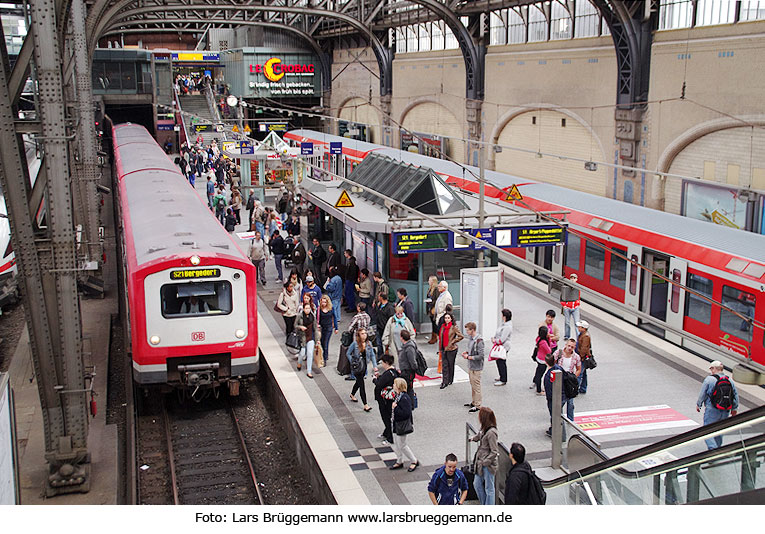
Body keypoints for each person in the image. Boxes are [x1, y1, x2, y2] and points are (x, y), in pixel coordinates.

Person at [697, 360, 739, 450]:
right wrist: (734, 408)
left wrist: (699, 404)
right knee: (720, 429)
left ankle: (713, 449)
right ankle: (718, 447)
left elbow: (702, 393)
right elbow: (735, 395)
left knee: (707, 429)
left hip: (712, 408)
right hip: (725, 409)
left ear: (713, 368)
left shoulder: (709, 379)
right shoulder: (729, 380)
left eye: (711, 369)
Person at [470, 407, 498, 505]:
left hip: (487, 464)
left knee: (489, 487)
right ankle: (484, 504)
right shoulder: (484, 428)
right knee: (477, 484)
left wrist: (486, 462)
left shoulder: (491, 433)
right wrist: (474, 438)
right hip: (481, 462)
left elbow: (494, 451)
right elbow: (479, 435)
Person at [389, 378, 419, 472]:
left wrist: (395, 407)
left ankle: (413, 460)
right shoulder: (399, 396)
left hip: (401, 425)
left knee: (402, 444)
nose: (393, 385)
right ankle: (399, 460)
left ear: (398, 386)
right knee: (397, 444)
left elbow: (406, 413)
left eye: (394, 384)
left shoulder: (404, 398)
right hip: (396, 423)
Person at [347, 327, 376, 412]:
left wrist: (375, 365)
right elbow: (348, 353)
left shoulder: (369, 343)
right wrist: (352, 361)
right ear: (359, 335)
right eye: (362, 333)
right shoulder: (355, 344)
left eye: (365, 333)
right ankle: (365, 404)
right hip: (357, 366)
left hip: (364, 366)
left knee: (359, 382)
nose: (364, 335)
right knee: (362, 384)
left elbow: (372, 355)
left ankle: (352, 394)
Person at [554, 337, 581, 423]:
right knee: (560, 401)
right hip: (559, 380)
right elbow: (553, 364)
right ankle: (558, 418)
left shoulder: (576, 357)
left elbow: (579, 369)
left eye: (572, 347)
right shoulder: (558, 353)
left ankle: (570, 420)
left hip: (569, 382)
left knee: (570, 403)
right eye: (569, 346)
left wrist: (573, 378)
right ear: (566, 345)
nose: (570, 348)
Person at [373, 353, 398, 445]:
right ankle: (386, 432)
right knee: (387, 416)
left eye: (383, 362)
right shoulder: (394, 372)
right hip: (389, 398)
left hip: (384, 398)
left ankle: (390, 437)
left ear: (386, 363)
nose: (382, 364)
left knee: (386, 417)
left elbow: (379, 384)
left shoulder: (388, 374)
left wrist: (375, 379)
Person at [543, 352, 568, 438]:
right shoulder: (559, 368)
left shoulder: (547, 376)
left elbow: (549, 393)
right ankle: (553, 429)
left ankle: (561, 435)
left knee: (556, 415)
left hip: (555, 399)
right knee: (557, 415)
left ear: (546, 362)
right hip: (563, 395)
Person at [462, 322, 484, 412]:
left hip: (477, 367)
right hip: (471, 365)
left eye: (468, 330)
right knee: (473, 384)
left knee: (477, 386)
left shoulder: (479, 341)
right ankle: (474, 402)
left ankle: (478, 405)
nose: (467, 332)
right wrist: (467, 352)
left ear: (472, 330)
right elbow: (471, 350)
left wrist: (469, 357)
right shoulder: (471, 339)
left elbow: (481, 356)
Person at [439, 313, 463, 389]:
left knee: (450, 365)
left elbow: (461, 336)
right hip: (443, 348)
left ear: (451, 319)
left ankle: (450, 379)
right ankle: (444, 381)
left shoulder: (454, 327)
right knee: (444, 365)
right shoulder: (443, 326)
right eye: (445, 318)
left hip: (451, 349)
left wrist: (453, 341)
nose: (447, 319)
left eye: (448, 318)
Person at [295, 303, 318, 379]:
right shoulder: (299, 316)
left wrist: (317, 339)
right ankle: (299, 362)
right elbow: (295, 325)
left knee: (310, 354)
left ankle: (309, 371)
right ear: (303, 309)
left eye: (309, 308)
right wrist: (300, 327)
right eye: (306, 308)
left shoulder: (313, 317)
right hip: (303, 337)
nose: (308, 310)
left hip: (310, 337)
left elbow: (315, 329)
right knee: (302, 353)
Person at [491, 309, 512, 387]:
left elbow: (502, 339)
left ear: (505, 316)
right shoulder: (504, 324)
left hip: (504, 346)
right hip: (500, 346)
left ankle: (503, 379)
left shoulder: (507, 327)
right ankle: (501, 376)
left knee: (501, 362)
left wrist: (495, 340)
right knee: (499, 361)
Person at [532, 325, 553, 395]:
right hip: (543, 360)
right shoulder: (544, 342)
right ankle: (539, 390)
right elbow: (549, 350)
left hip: (539, 358)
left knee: (538, 371)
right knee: (540, 375)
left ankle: (535, 382)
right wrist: (549, 339)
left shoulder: (539, 339)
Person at [374, 292, 395, 358]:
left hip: (385, 328)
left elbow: (391, 319)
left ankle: (387, 356)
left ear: (381, 298)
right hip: (379, 327)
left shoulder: (389, 308)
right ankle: (380, 356)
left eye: (379, 296)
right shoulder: (380, 305)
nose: (378, 297)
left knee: (386, 344)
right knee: (378, 343)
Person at [397, 329, 418, 398]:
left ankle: (410, 404)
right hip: (405, 371)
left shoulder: (409, 348)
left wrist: (413, 369)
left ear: (402, 337)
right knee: (407, 388)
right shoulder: (406, 346)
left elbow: (412, 361)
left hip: (408, 372)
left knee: (408, 388)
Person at [561, 273, 581, 340]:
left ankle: (578, 337)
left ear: (576, 279)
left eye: (574, 278)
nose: (573, 280)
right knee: (567, 322)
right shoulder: (565, 287)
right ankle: (567, 336)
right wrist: (564, 305)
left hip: (575, 307)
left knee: (577, 323)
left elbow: (578, 297)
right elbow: (562, 297)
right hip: (568, 307)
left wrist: (577, 304)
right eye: (571, 278)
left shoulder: (578, 288)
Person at [318, 295, 337, 366]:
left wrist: (336, 328)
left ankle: (324, 358)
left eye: (325, 302)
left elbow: (334, 317)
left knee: (326, 343)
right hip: (322, 327)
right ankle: (326, 353)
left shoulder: (331, 309)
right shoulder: (319, 309)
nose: (323, 303)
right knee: (322, 342)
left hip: (329, 328)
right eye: (322, 302)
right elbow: (318, 318)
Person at [575, 320, 592, 394]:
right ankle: (583, 388)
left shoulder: (585, 336)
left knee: (579, 373)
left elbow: (584, 348)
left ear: (584, 328)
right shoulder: (583, 334)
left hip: (582, 358)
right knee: (583, 374)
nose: (578, 328)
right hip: (583, 357)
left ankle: (575, 389)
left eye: (580, 327)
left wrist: (580, 357)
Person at [425, 275, 440, 344]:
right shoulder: (430, 289)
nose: (428, 282)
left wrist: (433, 306)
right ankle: (433, 337)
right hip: (429, 307)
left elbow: (437, 299)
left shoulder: (436, 289)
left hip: (433, 308)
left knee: (435, 323)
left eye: (430, 280)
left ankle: (435, 337)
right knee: (432, 323)